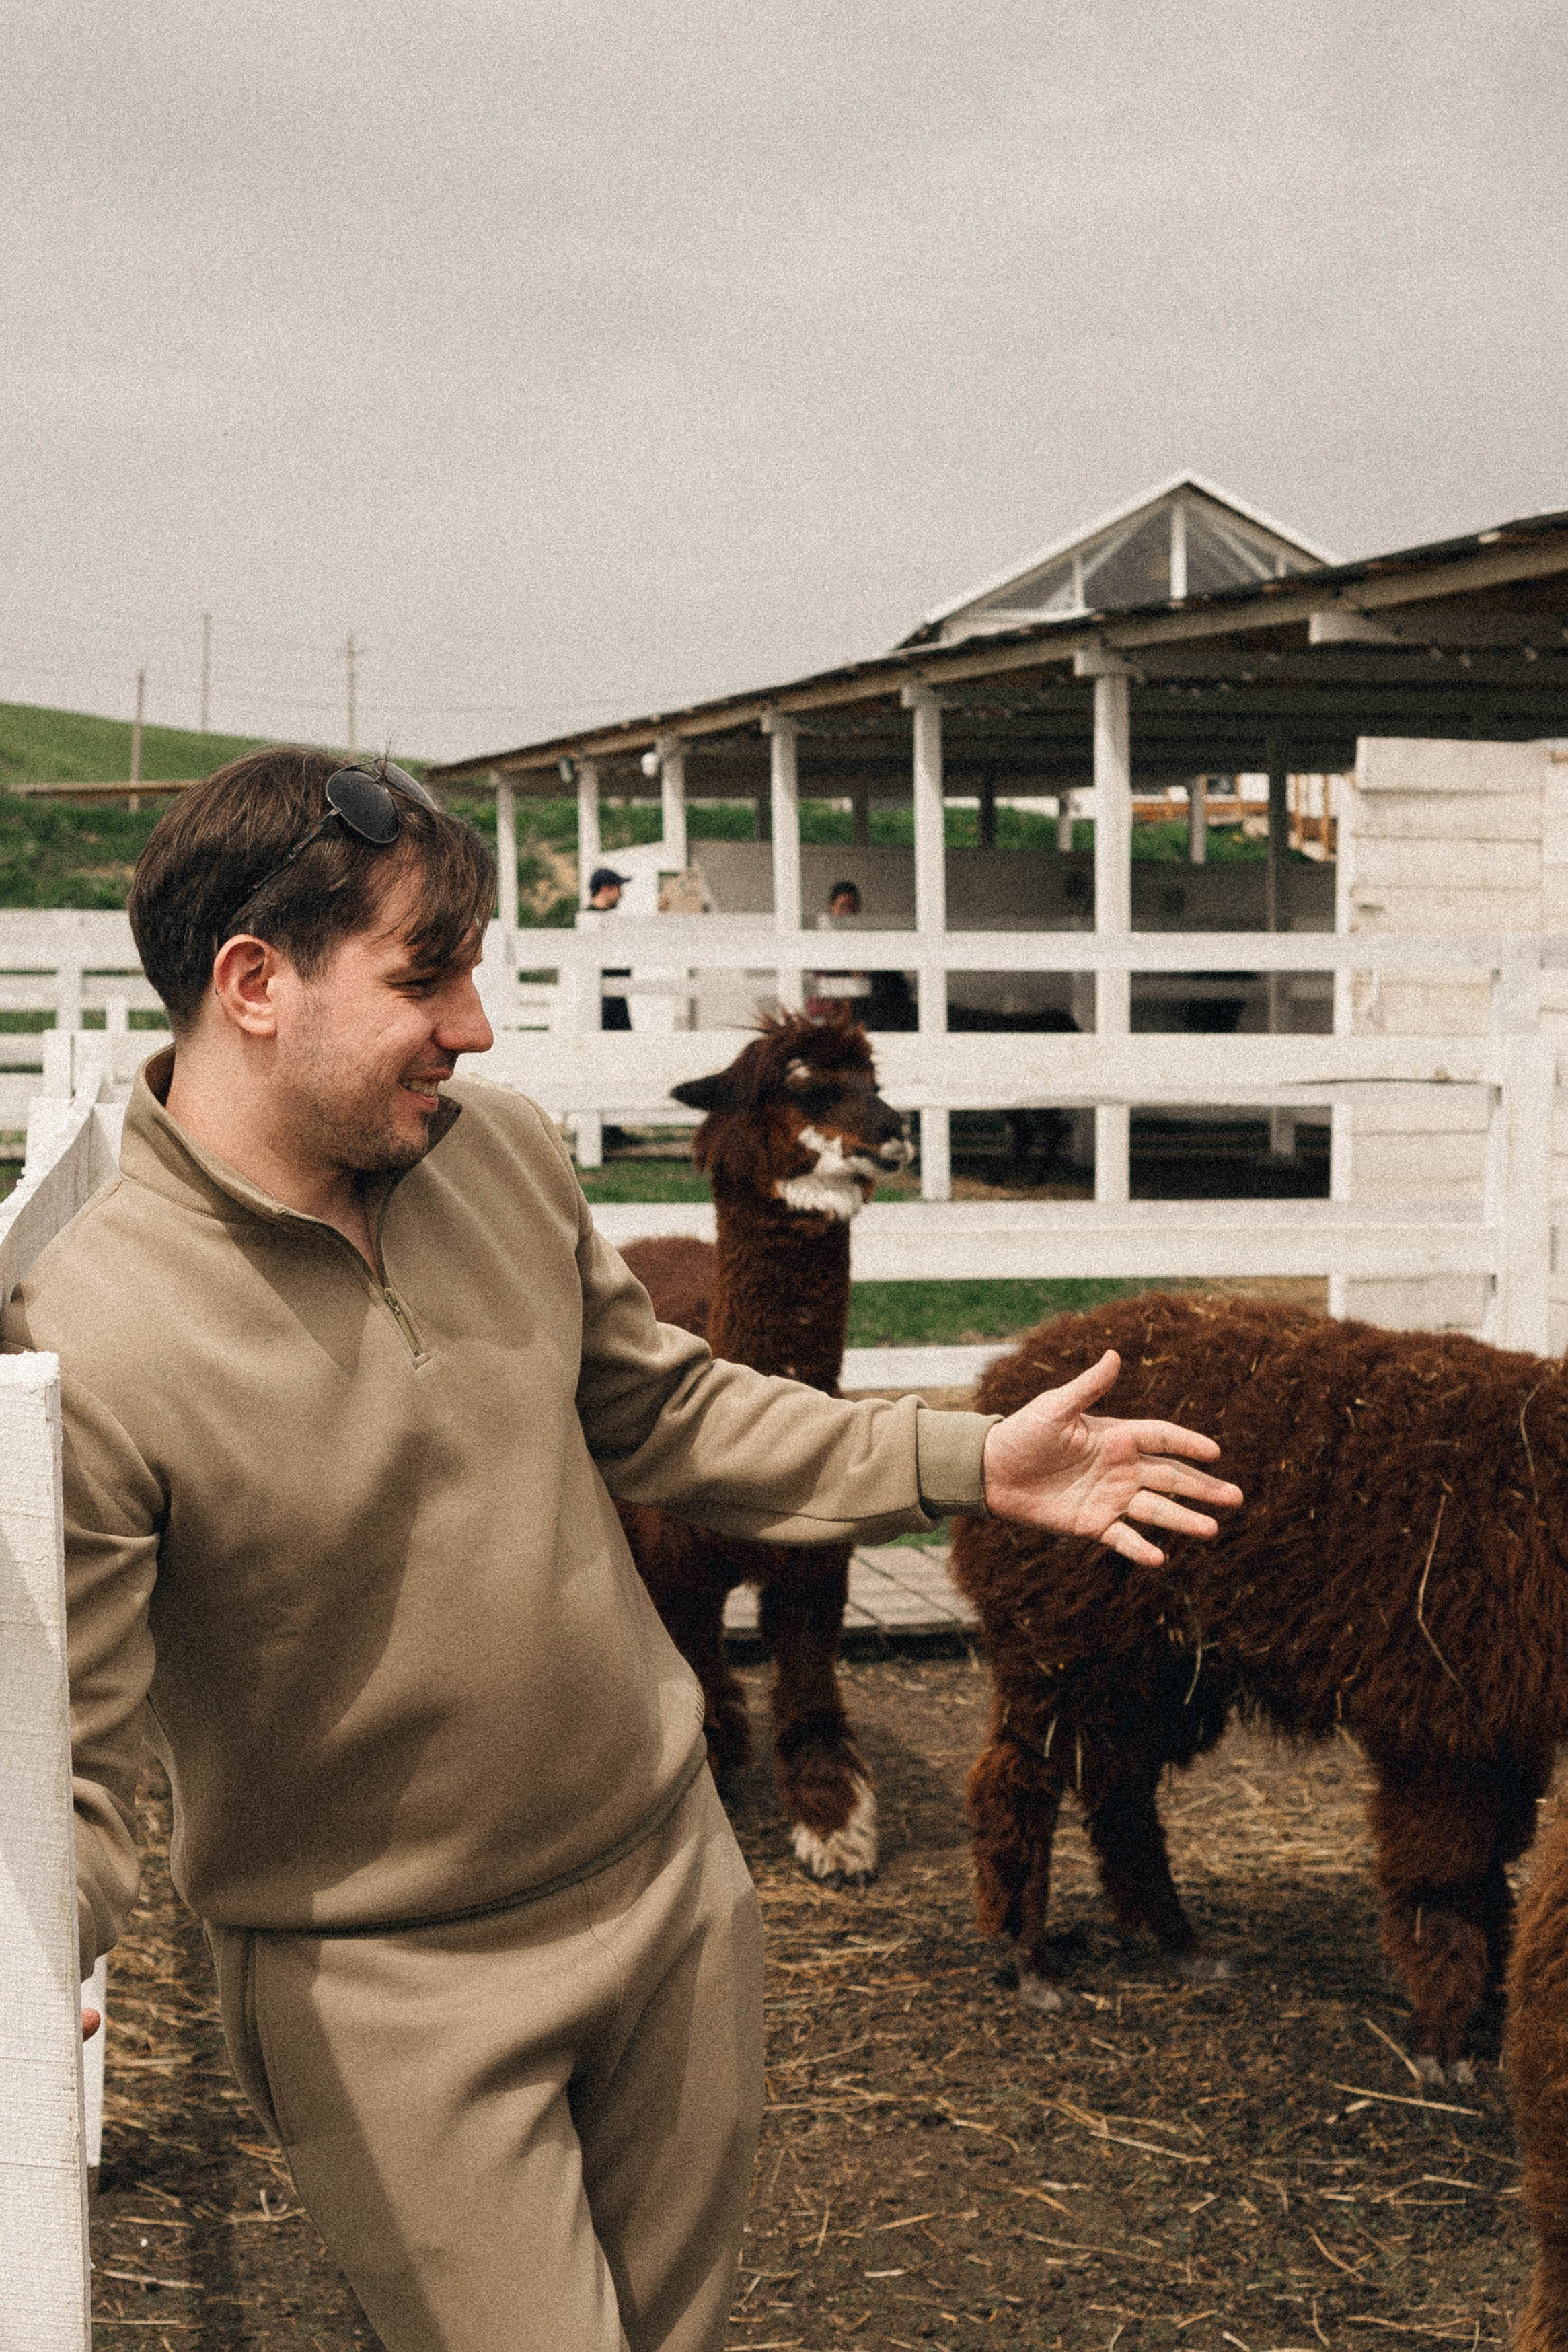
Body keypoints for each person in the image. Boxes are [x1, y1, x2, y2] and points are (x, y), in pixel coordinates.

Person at [5, 747, 1242, 2352]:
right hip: (384, 1991)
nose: (475, 1027)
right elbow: (67, 1767)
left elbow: (664, 1408)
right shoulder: (89, 1331)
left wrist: (962, 1458)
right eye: (424, 978)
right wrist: (31, 1953)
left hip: (672, 1897)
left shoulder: (497, 1155)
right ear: (254, 983)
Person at [584, 862, 634, 1030]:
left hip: (611, 1000)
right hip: (608, 1003)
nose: (621, 895)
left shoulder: (600, 921)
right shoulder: (593, 922)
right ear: (605, 889)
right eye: (618, 888)